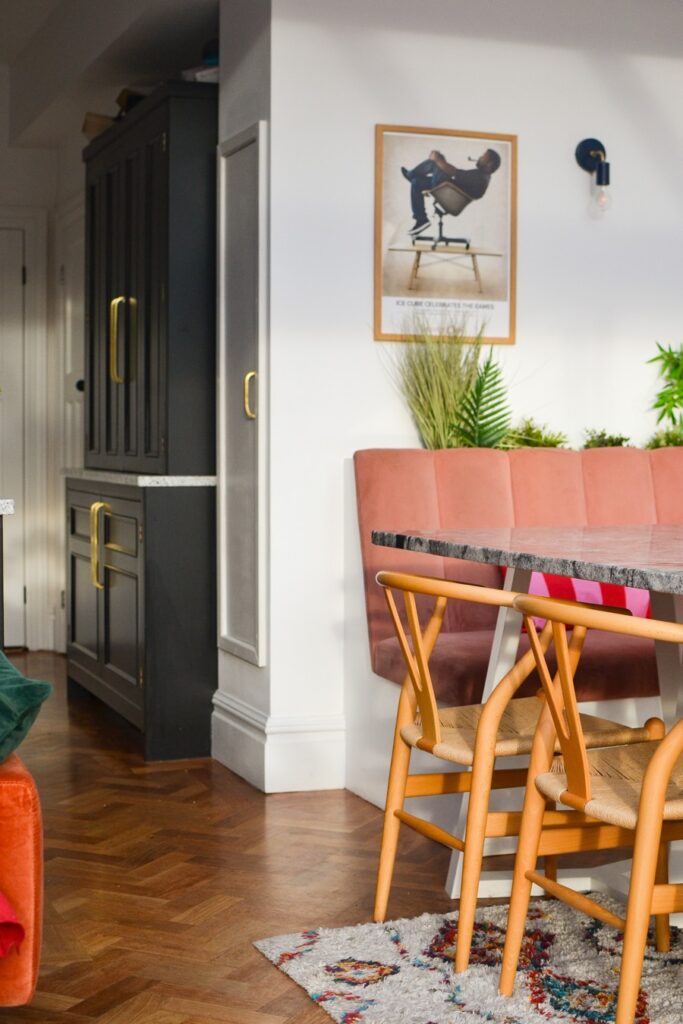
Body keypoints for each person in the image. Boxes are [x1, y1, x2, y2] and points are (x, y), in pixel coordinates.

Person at [401, 148, 501, 236]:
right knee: (416, 182)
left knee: (435, 162)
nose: (480, 157)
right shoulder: (481, 176)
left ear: (489, 164)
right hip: (447, 190)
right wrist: (440, 160)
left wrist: (438, 159)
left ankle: (410, 175)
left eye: (483, 157)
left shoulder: (480, 178)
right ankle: (421, 219)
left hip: (447, 194)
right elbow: (456, 175)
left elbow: (453, 172)